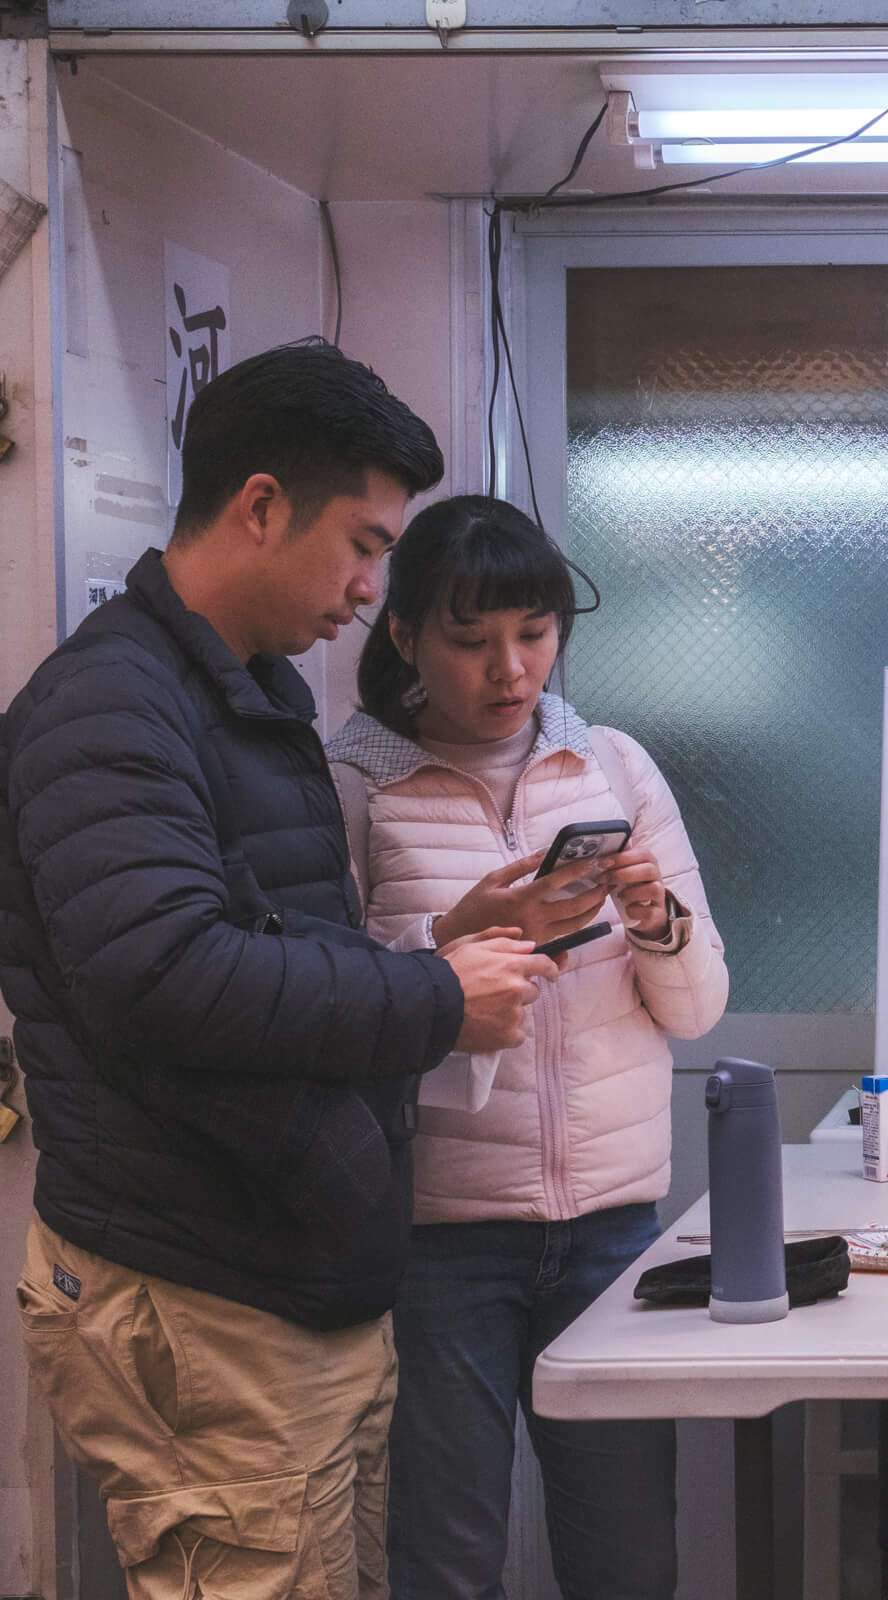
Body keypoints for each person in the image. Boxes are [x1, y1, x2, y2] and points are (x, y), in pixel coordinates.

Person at [0, 341, 554, 1597]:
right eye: (363, 545)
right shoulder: (111, 705)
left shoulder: (242, 694)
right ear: (259, 506)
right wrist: (432, 1000)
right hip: (203, 1293)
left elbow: (264, 946)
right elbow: (162, 971)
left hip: (291, 1287)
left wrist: (436, 944)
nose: (370, 589)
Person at [326, 495, 728, 1599]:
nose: (510, 669)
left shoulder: (613, 767)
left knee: (628, 1558)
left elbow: (696, 1009)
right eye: (471, 639)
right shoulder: (356, 786)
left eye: (535, 633)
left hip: (612, 1226)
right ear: (403, 635)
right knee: (448, 1559)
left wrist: (658, 924)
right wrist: (455, 939)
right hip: (441, 1239)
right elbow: (328, 1007)